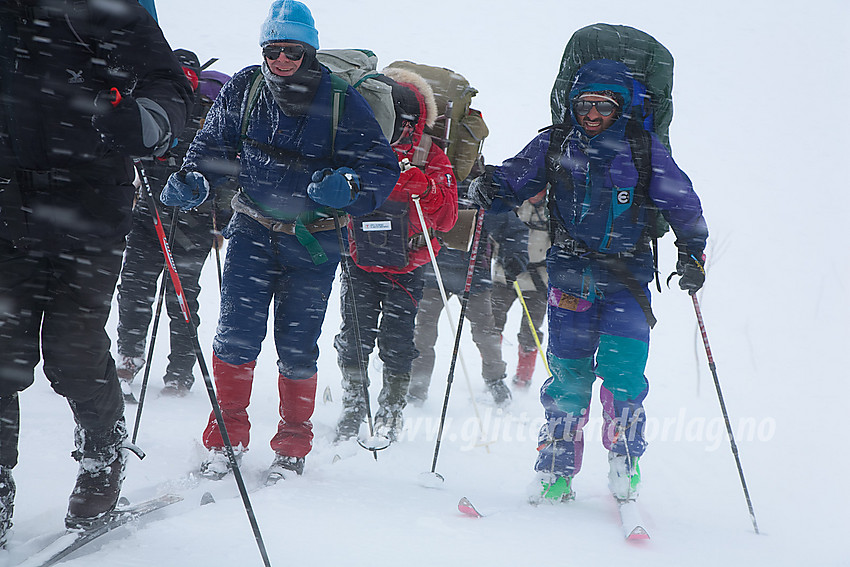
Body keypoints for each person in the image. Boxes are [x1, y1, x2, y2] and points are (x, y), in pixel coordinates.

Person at [160, 0, 398, 482]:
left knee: (297, 345)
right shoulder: (244, 89)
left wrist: (349, 187)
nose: (281, 61)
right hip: (250, 229)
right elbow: (209, 148)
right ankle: (225, 438)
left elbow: (380, 168)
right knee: (235, 337)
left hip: (315, 242)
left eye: (292, 50)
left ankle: (292, 444)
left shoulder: (338, 99)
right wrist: (194, 180)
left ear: (309, 51)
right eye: (273, 50)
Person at [468, 58, 708, 503]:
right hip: (570, 281)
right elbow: (515, 180)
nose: (592, 114)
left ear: (622, 107)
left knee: (624, 378)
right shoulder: (554, 142)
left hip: (627, 282)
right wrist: (489, 187)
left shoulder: (643, 148)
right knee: (568, 380)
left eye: (604, 106)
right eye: (584, 105)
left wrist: (692, 252)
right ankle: (555, 469)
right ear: (571, 105)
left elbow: (682, 202)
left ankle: (624, 460)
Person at [0, 0, 192, 539]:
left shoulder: (102, 7)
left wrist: (140, 121)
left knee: (73, 350)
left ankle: (103, 455)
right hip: (7, 209)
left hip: (88, 209)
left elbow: (170, 88)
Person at [333, 67, 458, 443]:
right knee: (354, 336)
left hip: (408, 264)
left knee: (398, 340)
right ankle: (355, 406)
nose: (398, 127)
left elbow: (448, 217)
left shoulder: (429, 155)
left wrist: (425, 188)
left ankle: (391, 410)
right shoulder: (358, 148)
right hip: (360, 259)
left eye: (405, 120)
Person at [115, 49, 235, 399]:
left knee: (181, 296)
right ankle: (129, 357)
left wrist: (221, 222)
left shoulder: (211, 115)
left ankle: (180, 371)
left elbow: (227, 172)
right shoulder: (154, 104)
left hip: (193, 221)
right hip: (149, 215)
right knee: (135, 287)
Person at [407, 167, 512, 408]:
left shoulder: (487, 188)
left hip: (473, 275)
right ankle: (416, 387)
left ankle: (495, 381)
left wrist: (514, 256)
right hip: (436, 271)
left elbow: (509, 226)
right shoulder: (436, 177)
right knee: (424, 332)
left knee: (485, 333)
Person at [489, 190, 549, 388]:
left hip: (537, 279)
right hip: (505, 273)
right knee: (492, 324)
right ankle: (492, 374)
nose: (535, 192)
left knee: (530, 331)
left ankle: (523, 379)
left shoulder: (552, 208)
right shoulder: (510, 202)